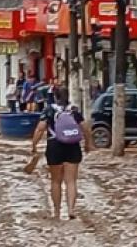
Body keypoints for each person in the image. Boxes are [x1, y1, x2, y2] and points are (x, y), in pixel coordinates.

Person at [29, 89, 93, 220]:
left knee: (56, 181)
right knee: (71, 181)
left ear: (54, 97)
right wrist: (88, 143)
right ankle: (71, 210)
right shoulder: (74, 110)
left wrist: (34, 145)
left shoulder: (49, 110)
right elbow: (85, 127)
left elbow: (40, 128)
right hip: (73, 146)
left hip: (55, 146)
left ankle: (57, 212)